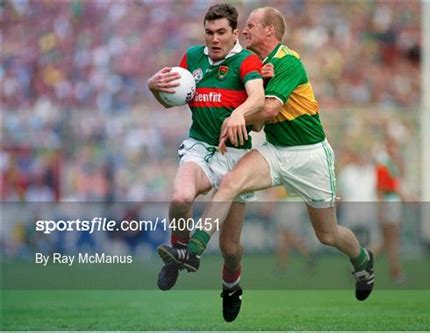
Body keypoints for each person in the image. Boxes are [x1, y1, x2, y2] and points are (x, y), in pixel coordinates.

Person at [158, 6, 375, 321]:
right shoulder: (253, 64)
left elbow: (269, 111)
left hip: (309, 155)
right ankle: (194, 250)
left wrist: (238, 114)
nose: (244, 31)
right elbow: (259, 126)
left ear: (269, 31)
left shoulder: (288, 61)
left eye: (250, 26)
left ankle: (362, 261)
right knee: (231, 181)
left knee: (327, 235)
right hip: (275, 150)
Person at [147, 3, 264, 293]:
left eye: (221, 32)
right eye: (209, 32)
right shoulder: (192, 58)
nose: (214, 39)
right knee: (179, 198)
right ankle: (179, 255)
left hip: (235, 157)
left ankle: (231, 283)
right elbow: (170, 101)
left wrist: (239, 113)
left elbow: (258, 98)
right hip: (199, 146)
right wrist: (153, 88)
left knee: (230, 247)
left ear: (234, 33)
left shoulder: (247, 60)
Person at [372, 138, 406, 283]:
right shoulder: (383, 165)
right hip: (389, 203)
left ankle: (359, 262)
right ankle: (395, 272)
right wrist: (380, 208)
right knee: (392, 240)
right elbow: (380, 188)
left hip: (392, 202)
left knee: (387, 241)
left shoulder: (391, 164)